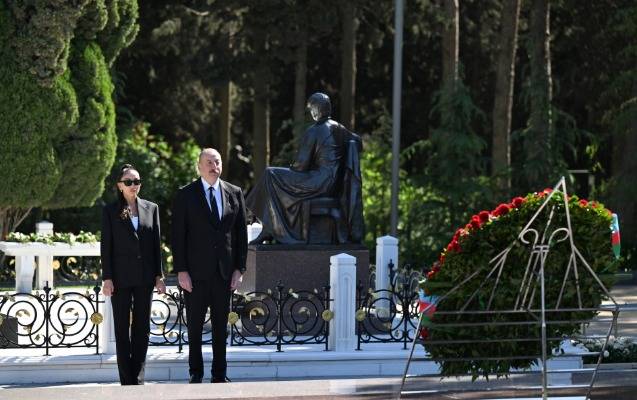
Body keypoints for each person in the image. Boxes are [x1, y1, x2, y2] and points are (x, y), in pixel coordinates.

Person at [171, 148, 248, 383]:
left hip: (225, 273)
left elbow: (241, 235)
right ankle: (196, 373)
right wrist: (181, 270)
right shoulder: (186, 194)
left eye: (217, 161)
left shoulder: (234, 193)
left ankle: (219, 373)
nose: (214, 165)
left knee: (220, 328)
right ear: (199, 167)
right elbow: (178, 236)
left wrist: (240, 268)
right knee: (194, 327)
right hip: (194, 274)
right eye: (209, 162)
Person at [246, 92, 360, 244]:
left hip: (317, 182)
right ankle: (269, 228)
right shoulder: (340, 128)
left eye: (311, 109)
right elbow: (358, 142)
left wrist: (293, 166)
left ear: (315, 111)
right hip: (332, 184)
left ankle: (259, 221)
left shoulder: (314, 131)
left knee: (270, 174)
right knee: (274, 178)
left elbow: (300, 167)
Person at [101, 164, 166, 385]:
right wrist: (107, 278)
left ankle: (138, 378)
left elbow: (156, 244)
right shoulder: (110, 211)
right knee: (121, 329)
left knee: (142, 328)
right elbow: (106, 247)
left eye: (136, 181)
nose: (133, 185)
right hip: (119, 278)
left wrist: (159, 275)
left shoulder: (152, 208)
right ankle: (126, 379)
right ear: (120, 186)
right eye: (128, 182)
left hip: (145, 278)